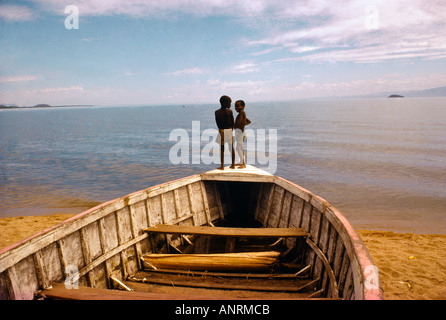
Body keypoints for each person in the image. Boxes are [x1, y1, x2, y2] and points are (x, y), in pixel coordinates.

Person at [215, 95, 235, 170]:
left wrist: (220, 130)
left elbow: (217, 122)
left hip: (221, 130)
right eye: (229, 103)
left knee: (222, 149)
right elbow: (233, 122)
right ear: (225, 103)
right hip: (229, 130)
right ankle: (233, 165)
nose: (230, 105)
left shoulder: (217, 112)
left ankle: (222, 166)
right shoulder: (230, 111)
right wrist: (231, 130)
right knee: (231, 148)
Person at [234, 100, 251, 169]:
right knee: (238, 148)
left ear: (243, 106)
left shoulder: (241, 113)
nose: (236, 108)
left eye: (238, 106)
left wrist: (239, 130)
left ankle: (243, 164)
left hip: (240, 133)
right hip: (240, 133)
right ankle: (241, 161)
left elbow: (240, 122)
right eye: (235, 106)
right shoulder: (241, 113)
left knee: (239, 147)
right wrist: (243, 124)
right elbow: (249, 121)